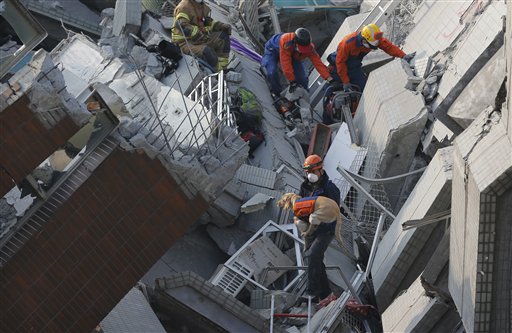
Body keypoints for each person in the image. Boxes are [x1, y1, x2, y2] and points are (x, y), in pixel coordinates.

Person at [299, 154, 340, 304]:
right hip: (310, 230)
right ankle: (326, 295)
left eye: (312, 172)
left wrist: (320, 219)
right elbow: (301, 205)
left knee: (313, 255)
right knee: (316, 260)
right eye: (307, 172)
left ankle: (311, 293)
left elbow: (334, 211)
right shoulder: (304, 187)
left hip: (326, 230)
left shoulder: (330, 189)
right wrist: (300, 219)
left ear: (320, 170)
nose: (309, 175)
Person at [329, 23, 416, 92]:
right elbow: (340, 63)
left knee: (364, 88)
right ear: (364, 41)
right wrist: (345, 81)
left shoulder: (374, 37)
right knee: (336, 88)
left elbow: (387, 46)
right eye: (370, 46)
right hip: (338, 69)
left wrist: (403, 55)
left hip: (354, 68)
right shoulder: (347, 43)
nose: (371, 48)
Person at [261, 28, 333, 97]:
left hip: (293, 54)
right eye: (301, 48)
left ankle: (304, 98)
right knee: (271, 72)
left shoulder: (310, 48)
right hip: (273, 50)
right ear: (295, 42)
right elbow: (286, 65)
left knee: (302, 80)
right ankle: (277, 93)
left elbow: (318, 63)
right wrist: (292, 81)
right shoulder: (286, 42)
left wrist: (328, 78)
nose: (303, 51)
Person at [171, 0, 231, 72]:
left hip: (199, 39)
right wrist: (199, 34)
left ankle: (223, 69)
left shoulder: (201, 6)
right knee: (208, 52)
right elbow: (183, 26)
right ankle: (218, 72)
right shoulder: (183, 7)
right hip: (185, 43)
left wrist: (219, 25)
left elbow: (207, 22)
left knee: (222, 37)